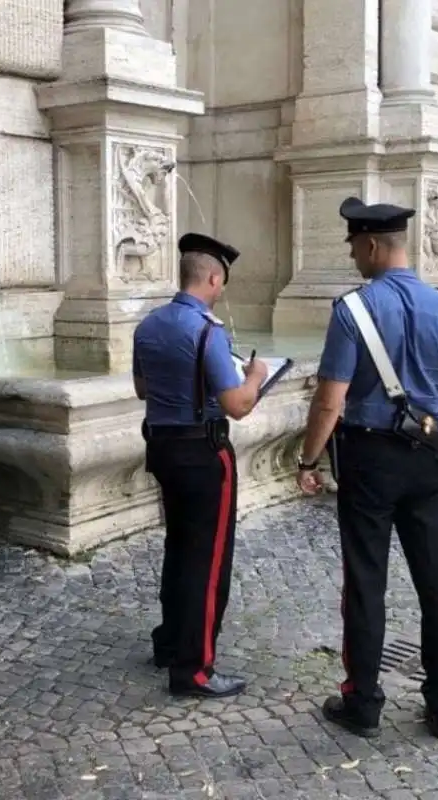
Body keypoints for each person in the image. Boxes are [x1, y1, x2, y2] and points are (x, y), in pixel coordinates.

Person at [296, 197, 438, 741]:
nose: (354, 255)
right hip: (430, 456)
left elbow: (329, 401)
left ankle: (364, 703)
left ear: (373, 245)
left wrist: (308, 459)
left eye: (355, 245)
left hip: (370, 458)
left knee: (365, 581)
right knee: (437, 584)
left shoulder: (353, 310)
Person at [133, 232, 269, 699]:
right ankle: (194, 670)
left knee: (179, 547)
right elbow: (236, 405)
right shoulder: (209, 331)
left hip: (164, 449)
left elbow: (142, 389)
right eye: (221, 282)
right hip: (205, 454)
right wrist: (254, 377)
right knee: (208, 562)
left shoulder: (148, 325)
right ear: (213, 278)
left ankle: (169, 643)